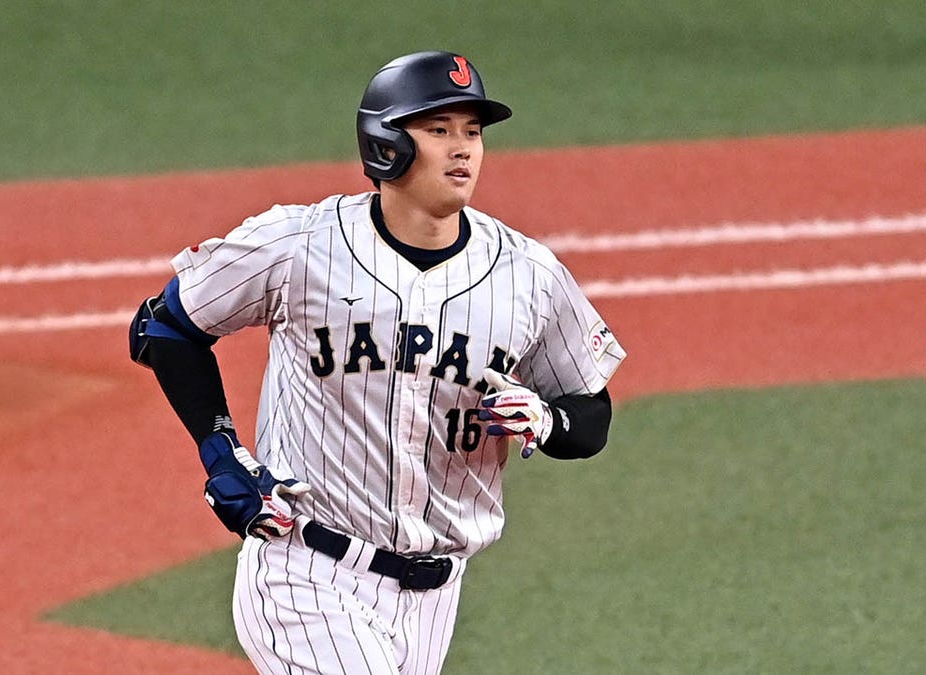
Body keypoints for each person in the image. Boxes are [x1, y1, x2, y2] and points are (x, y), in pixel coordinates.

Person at [129, 50, 626, 674]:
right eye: (439, 130)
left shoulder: (528, 275)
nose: (463, 150)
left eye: (473, 132)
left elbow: (591, 413)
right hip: (306, 574)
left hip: (434, 597)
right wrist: (220, 451)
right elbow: (166, 326)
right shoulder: (300, 246)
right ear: (385, 143)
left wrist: (547, 421)